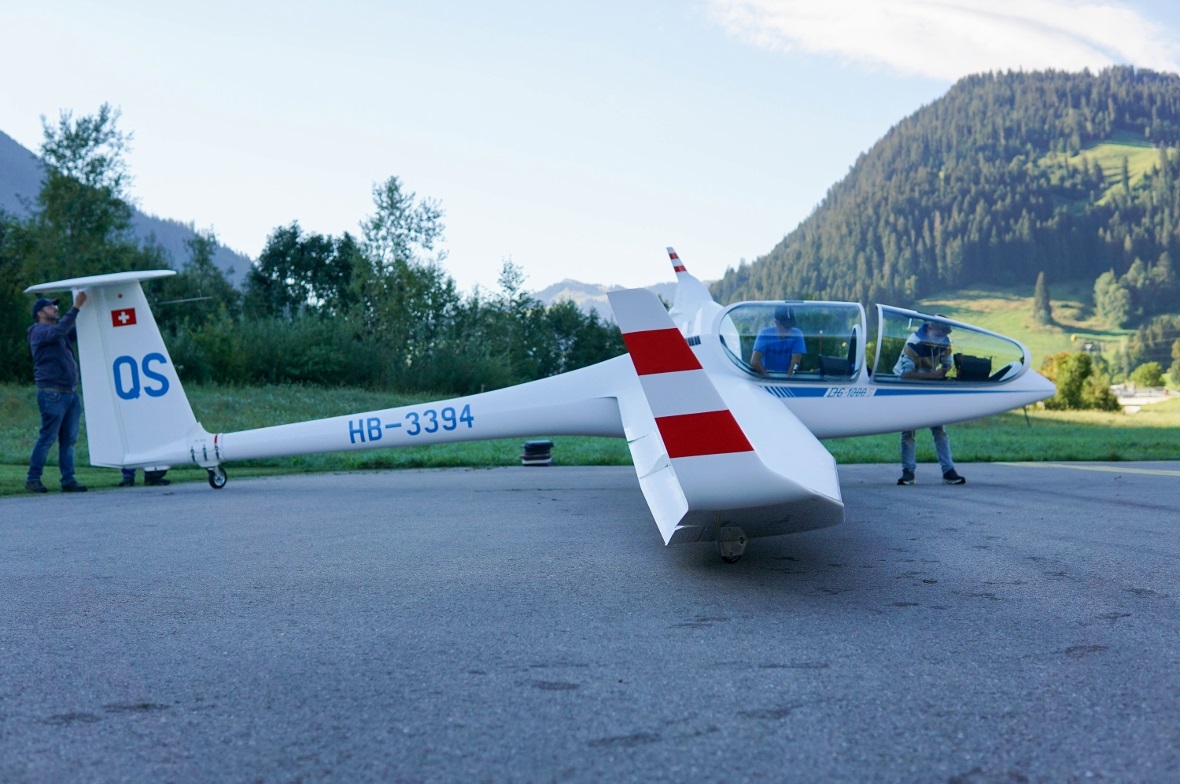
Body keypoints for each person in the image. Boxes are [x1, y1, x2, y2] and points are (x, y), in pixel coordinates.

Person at [25, 292, 89, 493]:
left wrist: (89, 312)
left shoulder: (56, 331)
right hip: (52, 392)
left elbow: (75, 331)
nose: (56, 309)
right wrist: (76, 307)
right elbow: (60, 330)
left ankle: (68, 480)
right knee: (47, 438)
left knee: (68, 440)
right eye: (51, 306)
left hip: (69, 392)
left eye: (56, 306)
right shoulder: (38, 331)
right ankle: (33, 479)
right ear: (40, 313)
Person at [893, 318, 966, 486]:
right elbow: (905, 374)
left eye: (944, 334)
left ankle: (948, 471)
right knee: (908, 430)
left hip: (930, 386)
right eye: (939, 333)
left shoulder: (944, 342)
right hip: (909, 387)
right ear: (930, 328)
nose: (942, 338)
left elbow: (947, 364)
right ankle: (908, 472)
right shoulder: (913, 343)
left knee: (940, 428)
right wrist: (933, 375)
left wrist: (949, 368)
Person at [750, 305, 806, 376]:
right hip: (765, 377)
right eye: (786, 326)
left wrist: (787, 380)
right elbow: (754, 361)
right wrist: (768, 378)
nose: (789, 328)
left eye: (791, 325)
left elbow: (795, 361)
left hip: (788, 378)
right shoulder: (765, 334)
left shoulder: (797, 334)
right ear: (776, 323)